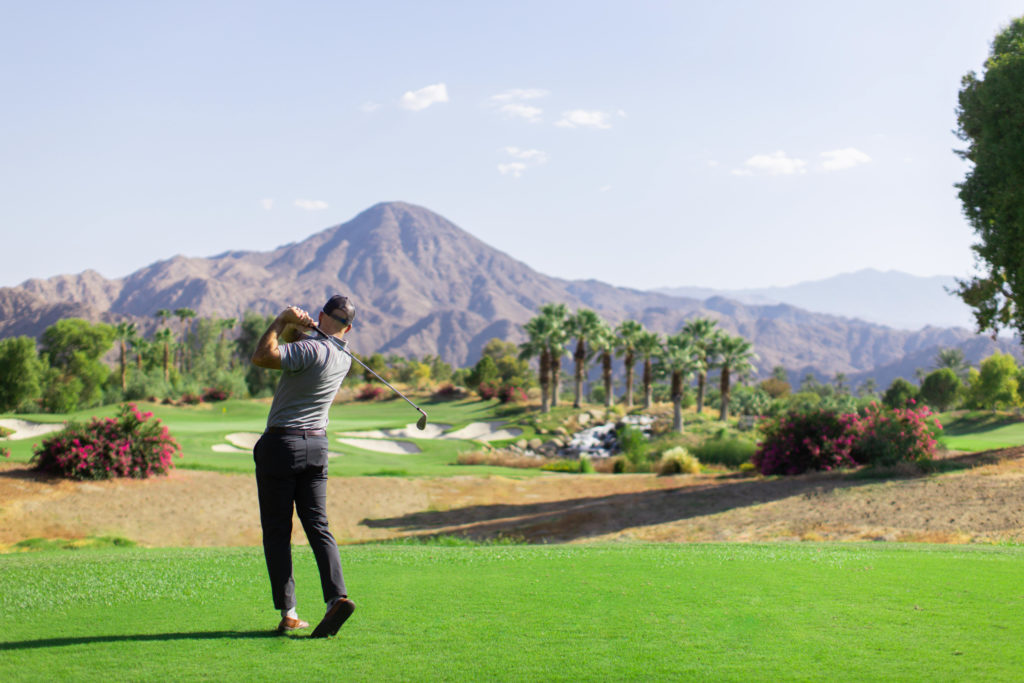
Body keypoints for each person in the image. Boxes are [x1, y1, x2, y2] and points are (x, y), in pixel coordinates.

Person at [250, 295, 357, 638]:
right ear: (349, 327)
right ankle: (336, 598)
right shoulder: (345, 357)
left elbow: (262, 356)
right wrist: (301, 329)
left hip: (282, 444)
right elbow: (306, 350)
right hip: (316, 446)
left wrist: (281, 321)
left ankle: (289, 613)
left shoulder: (310, 351)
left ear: (323, 314)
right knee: (317, 524)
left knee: (278, 531)